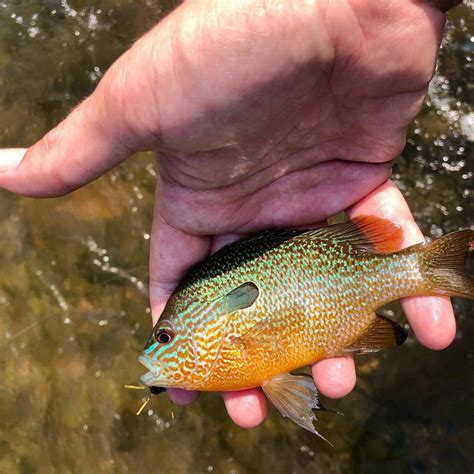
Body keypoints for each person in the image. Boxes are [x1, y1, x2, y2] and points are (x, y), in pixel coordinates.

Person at [0, 0, 462, 428]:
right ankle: (425, 270)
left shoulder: (221, 347)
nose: (152, 355)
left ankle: (425, 269)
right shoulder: (217, 357)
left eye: (163, 338)